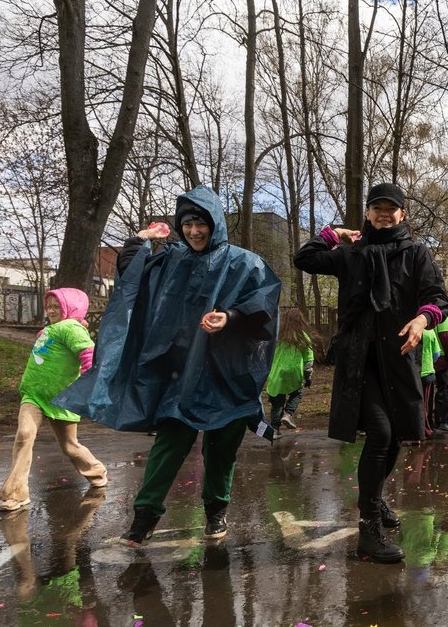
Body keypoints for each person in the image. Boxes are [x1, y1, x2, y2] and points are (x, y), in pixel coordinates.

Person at [54, 185, 281, 546]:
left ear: (215, 224)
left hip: (228, 375)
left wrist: (230, 317)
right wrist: (140, 238)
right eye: (188, 224)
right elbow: (133, 275)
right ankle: (143, 518)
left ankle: (215, 512)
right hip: (183, 376)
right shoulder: (172, 260)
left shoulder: (244, 263)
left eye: (202, 223)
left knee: (221, 450)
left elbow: (264, 304)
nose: (194, 231)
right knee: (170, 445)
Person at [294, 182, 448, 563]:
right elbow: (305, 258)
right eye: (376, 207)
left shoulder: (416, 254)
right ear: (367, 213)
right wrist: (333, 233)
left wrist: (421, 320)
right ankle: (368, 530)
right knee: (380, 433)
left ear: (403, 213)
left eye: (391, 208)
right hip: (358, 361)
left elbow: (437, 299)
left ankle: (375, 501)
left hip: (398, 358)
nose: (384, 213)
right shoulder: (350, 255)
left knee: (396, 435)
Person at [0, 288, 107, 512]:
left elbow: (88, 355)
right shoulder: (51, 329)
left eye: (57, 306)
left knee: (69, 446)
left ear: (71, 307)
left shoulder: (72, 328)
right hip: (34, 394)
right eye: (50, 306)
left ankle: (97, 471)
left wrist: (88, 387)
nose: (51, 310)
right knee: (25, 435)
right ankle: (16, 494)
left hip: (61, 397)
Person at [266, 308, 314, 436]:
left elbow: (266, 353)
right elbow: (308, 359)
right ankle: (288, 414)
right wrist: (308, 376)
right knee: (297, 393)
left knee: (277, 402)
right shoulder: (302, 336)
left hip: (276, 373)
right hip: (294, 373)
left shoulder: (276, 336)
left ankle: (275, 430)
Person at [420, 327, 443, 439]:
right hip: (426, 372)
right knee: (425, 404)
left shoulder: (408, 329)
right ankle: (425, 429)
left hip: (412, 372)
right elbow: (437, 353)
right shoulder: (429, 331)